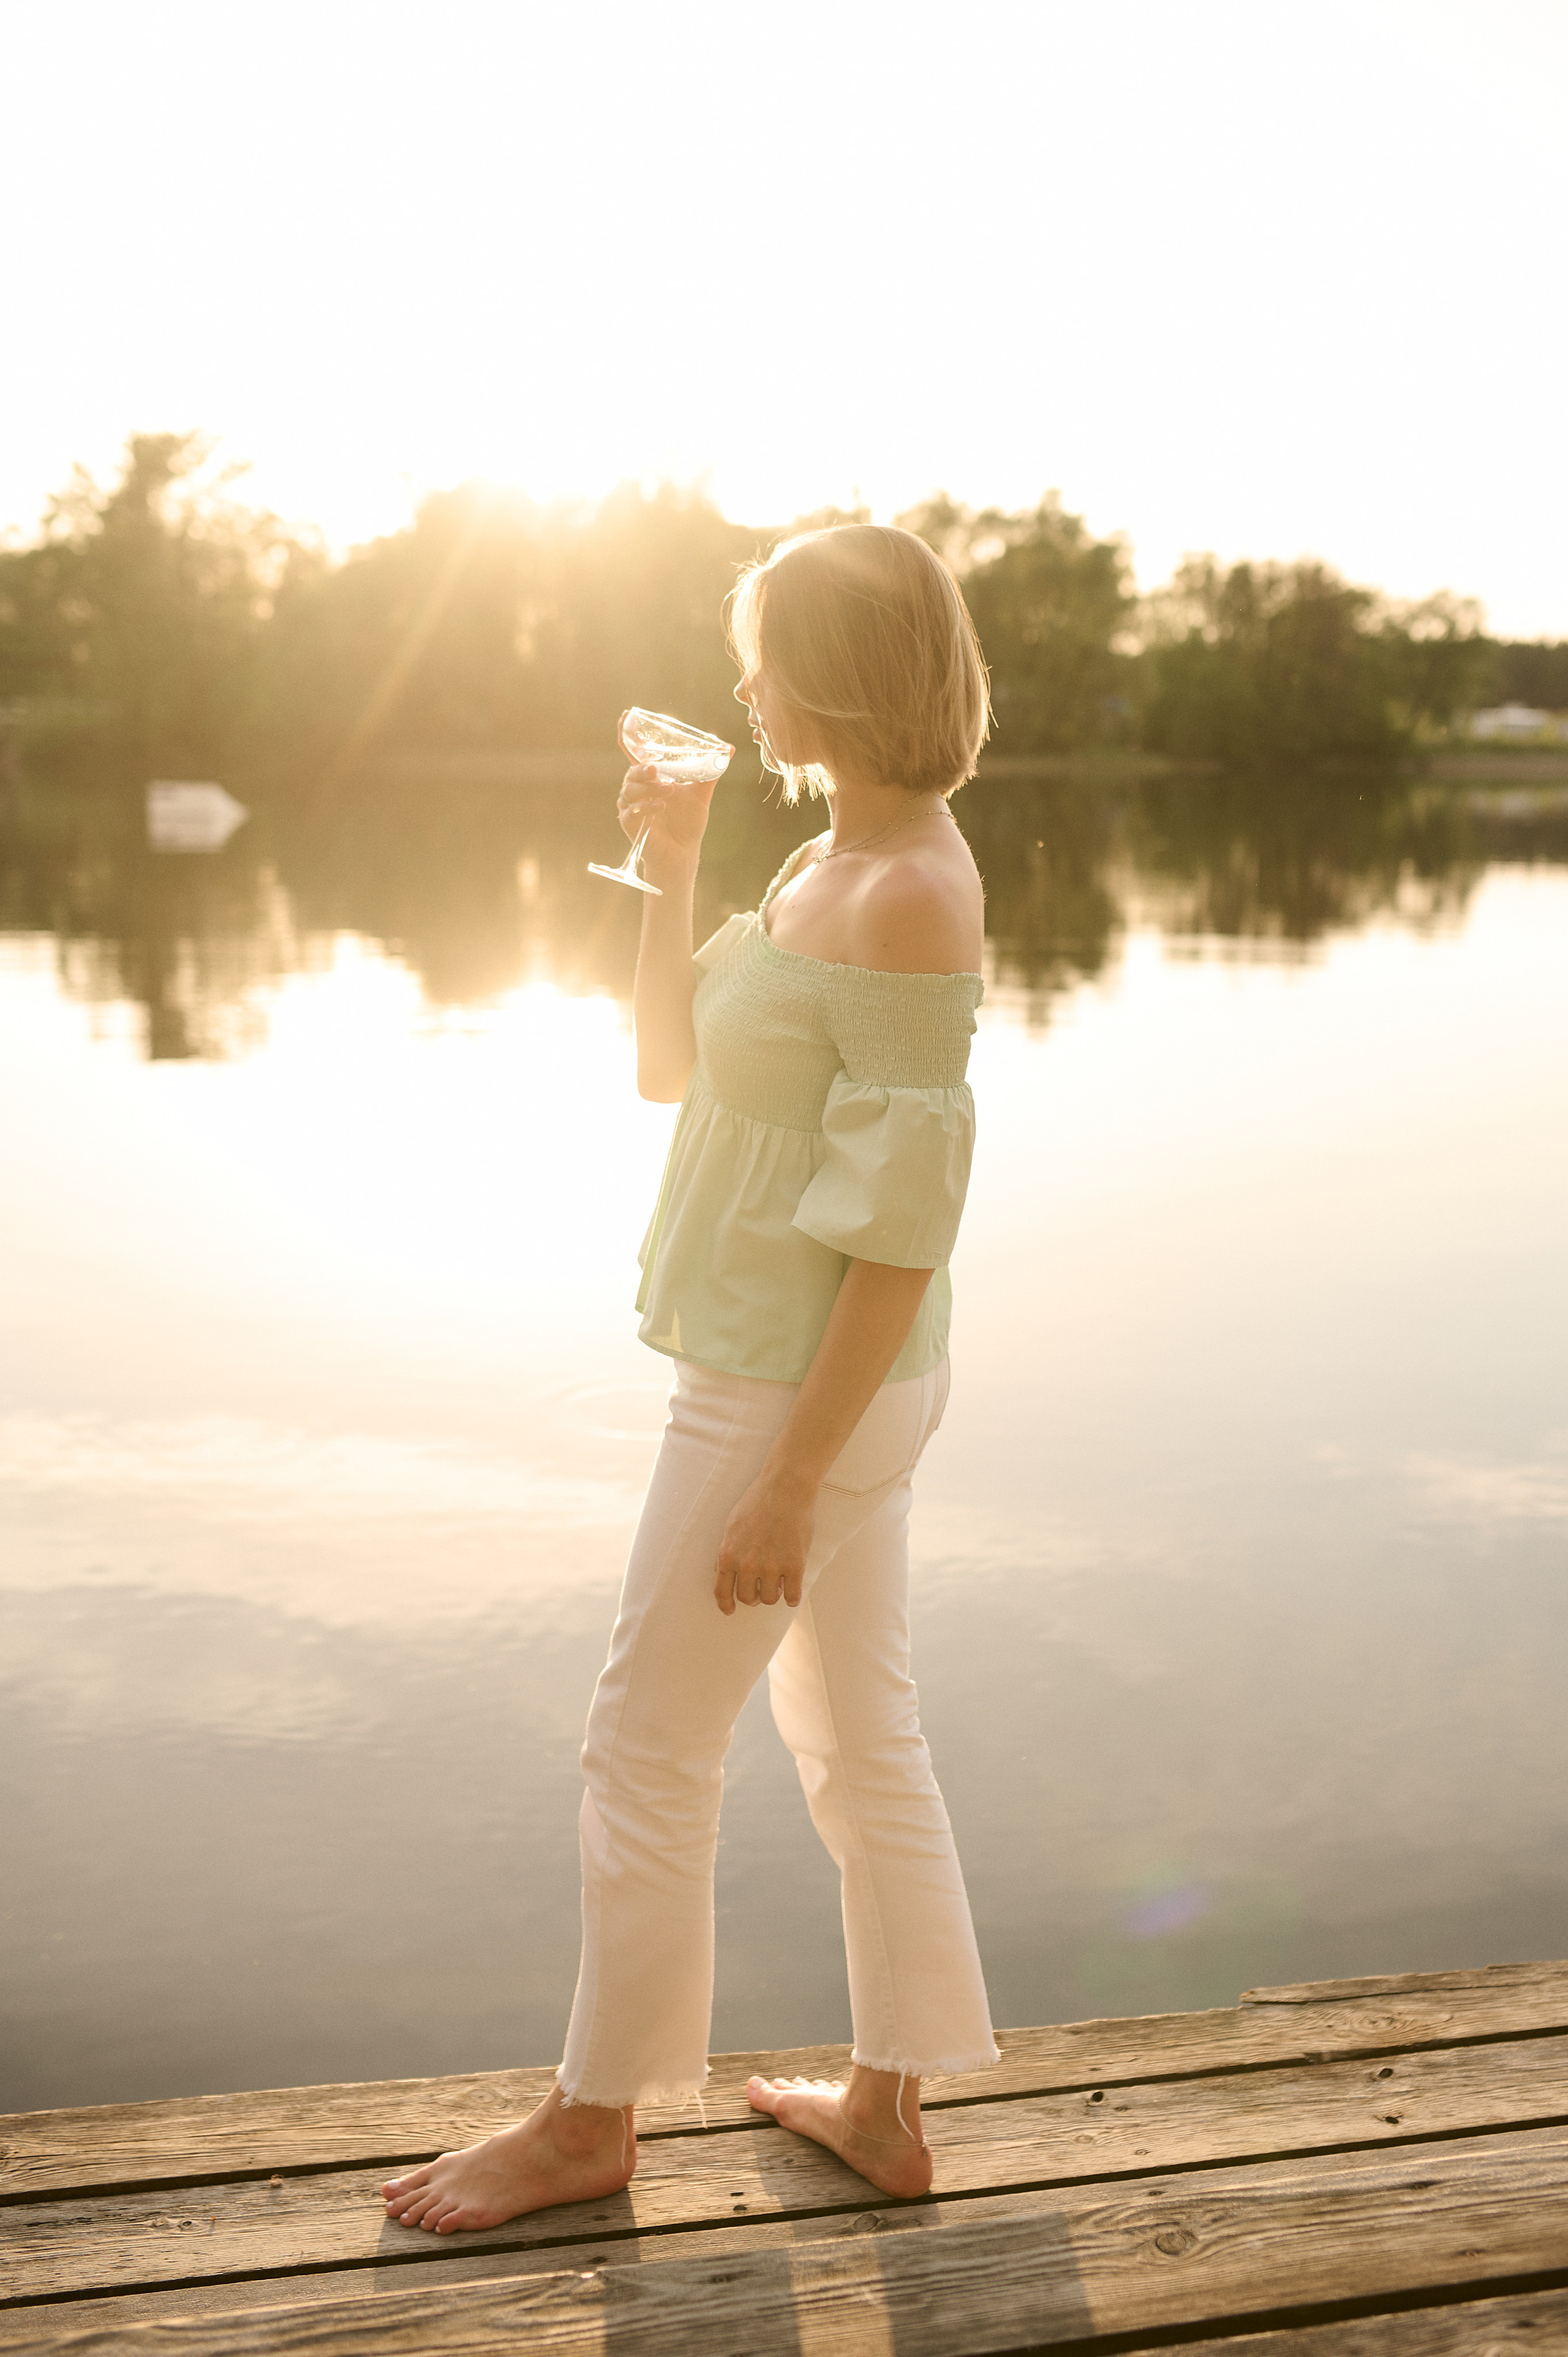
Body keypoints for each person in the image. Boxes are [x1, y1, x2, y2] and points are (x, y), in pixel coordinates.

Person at [383, 522, 998, 2236]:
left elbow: (898, 1239)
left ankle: (590, 2125)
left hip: (788, 1393)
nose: (744, 687)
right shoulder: (825, 868)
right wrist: (677, 860)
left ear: (842, 679)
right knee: (856, 1729)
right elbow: (671, 1069)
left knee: (641, 1747)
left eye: (766, 659)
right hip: (807, 1387)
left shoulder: (907, 898)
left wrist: (790, 1481)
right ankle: (885, 2107)